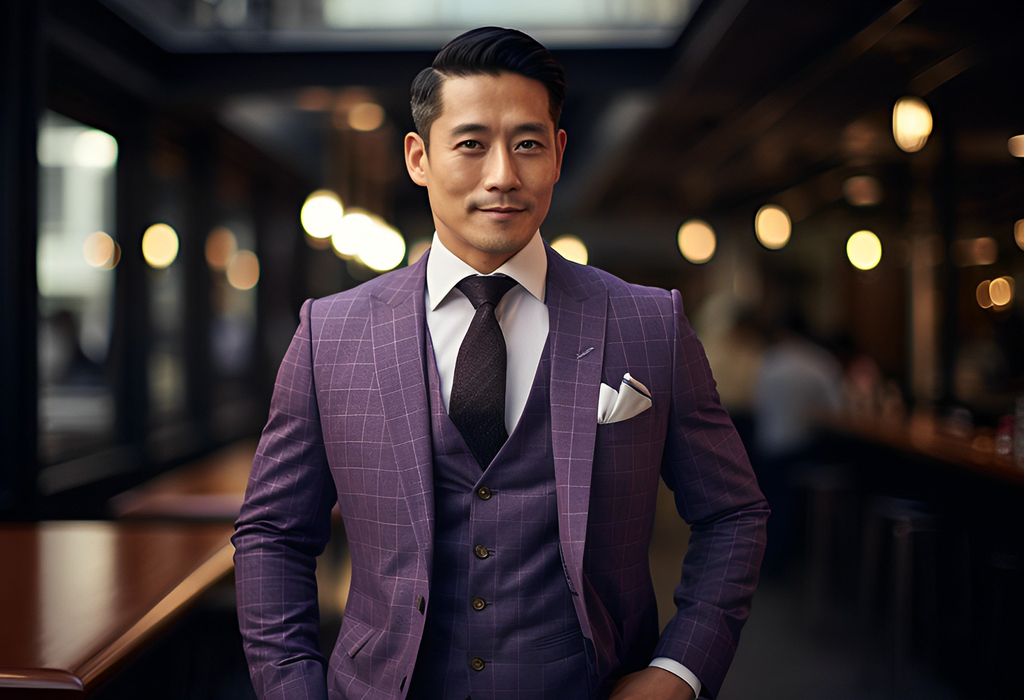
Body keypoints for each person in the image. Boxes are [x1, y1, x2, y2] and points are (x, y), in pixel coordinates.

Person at [233, 27, 768, 700]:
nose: (502, 176)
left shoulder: (647, 321)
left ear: (559, 154)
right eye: (471, 144)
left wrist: (678, 671)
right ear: (418, 157)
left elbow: (733, 513)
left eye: (527, 144)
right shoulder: (331, 333)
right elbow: (273, 533)